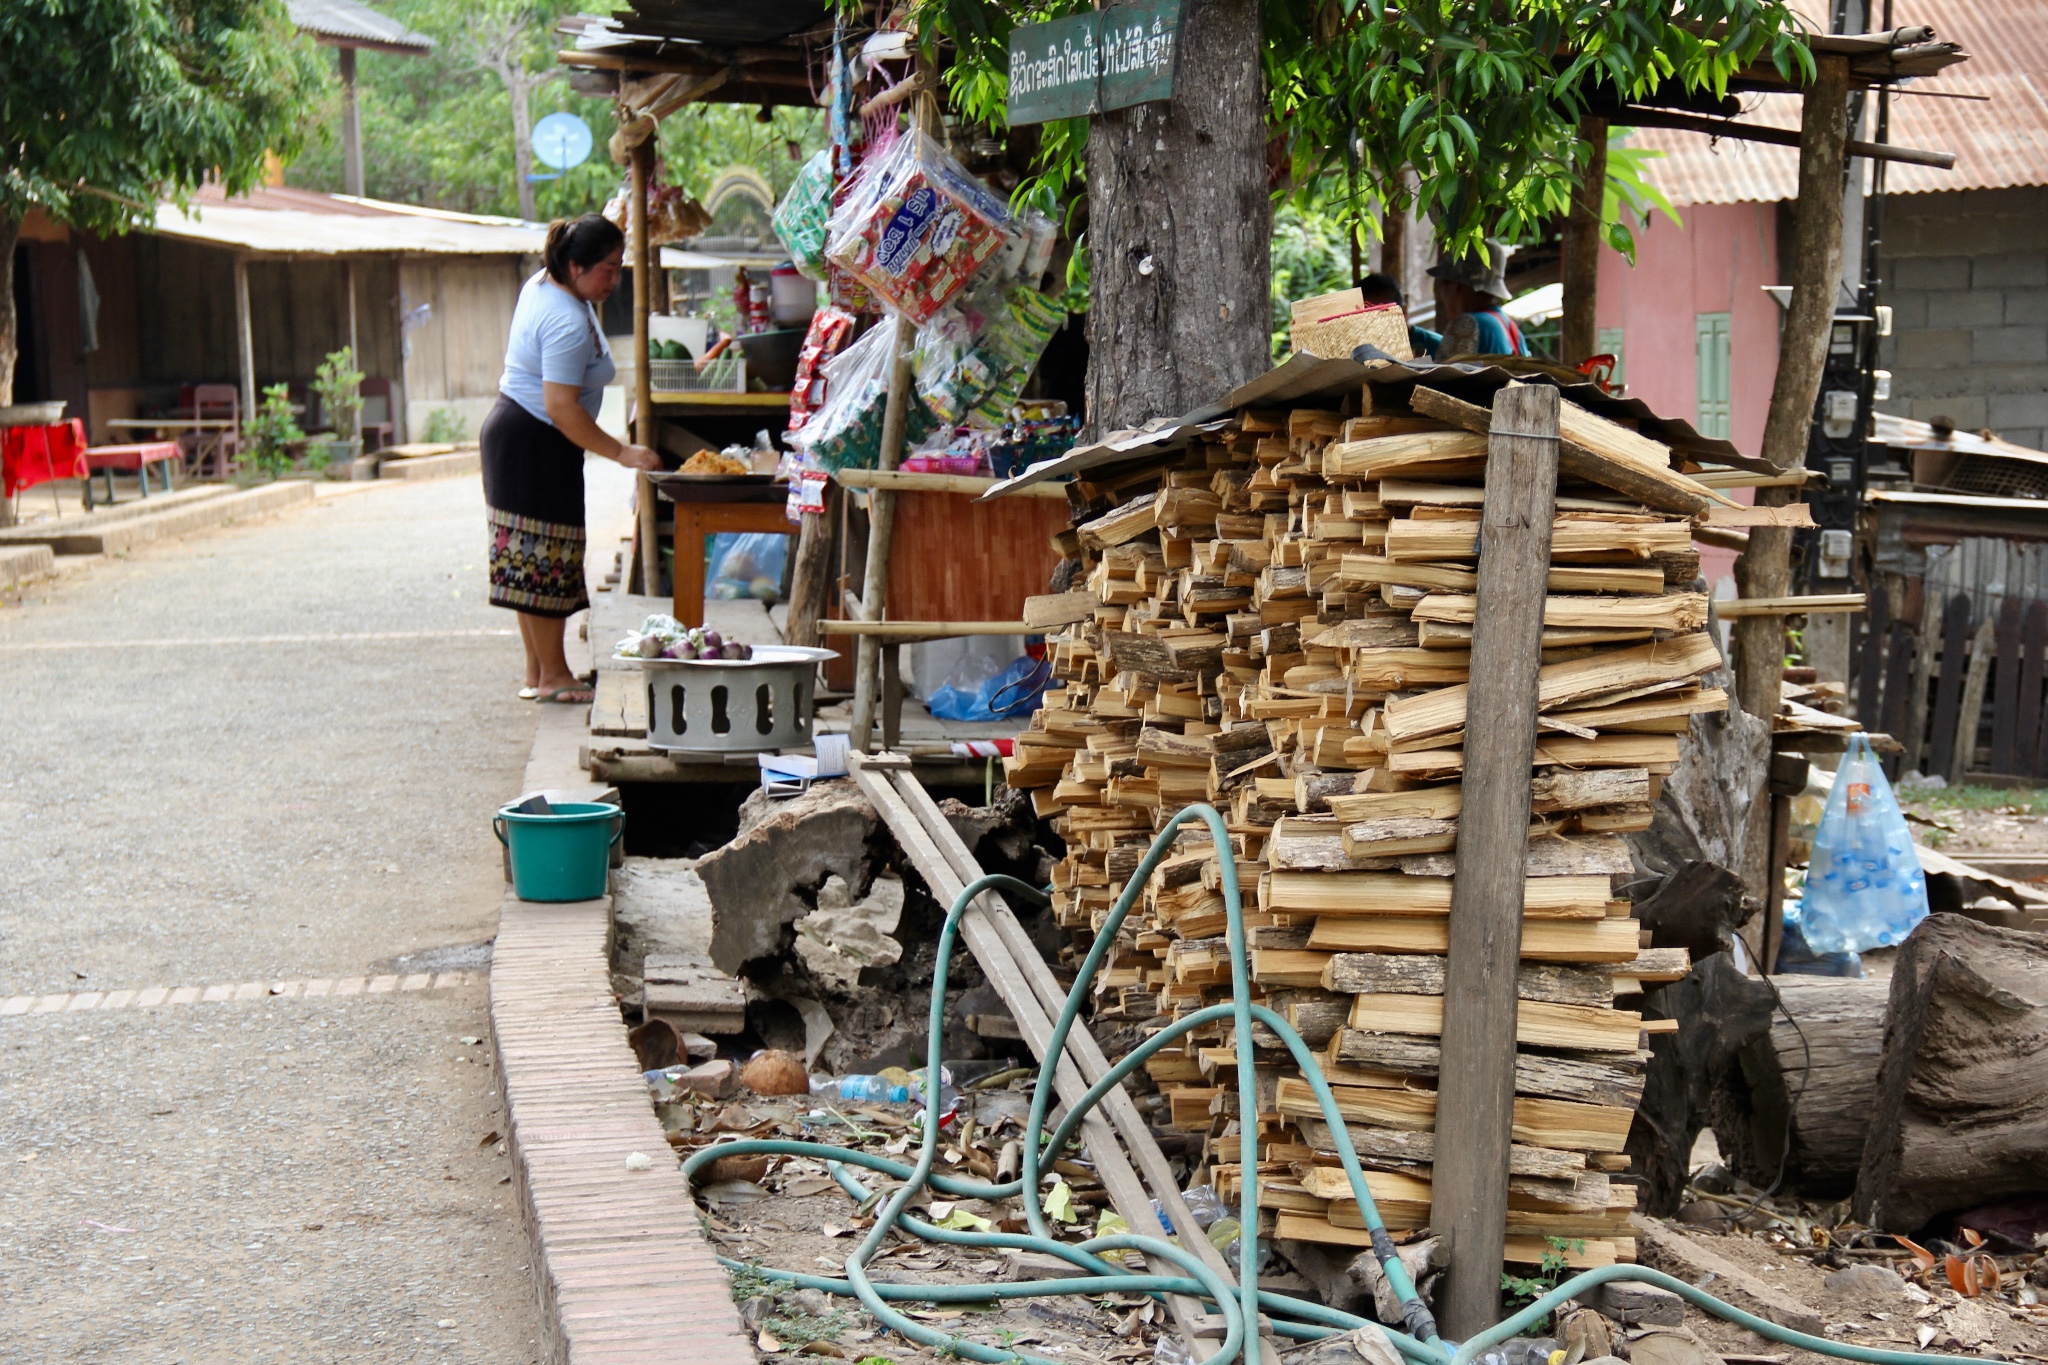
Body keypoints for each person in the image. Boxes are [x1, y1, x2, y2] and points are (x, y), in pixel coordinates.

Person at [483, 214, 663, 704]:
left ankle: (539, 670)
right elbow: (562, 408)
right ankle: (554, 675)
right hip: (535, 440)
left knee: (530, 559)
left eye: (618, 267)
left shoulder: (545, 283)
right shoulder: (565, 318)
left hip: (518, 434)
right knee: (546, 561)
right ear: (575, 265)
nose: (614, 279)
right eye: (607, 269)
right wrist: (622, 452)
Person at [1427, 239, 1530, 359]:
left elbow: (1443, 374)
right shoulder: (1511, 328)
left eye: (1442, 286)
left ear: (1455, 287)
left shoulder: (1467, 323)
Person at [1357, 272, 1442, 359]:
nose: (1375, 324)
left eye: (1383, 315)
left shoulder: (1439, 347)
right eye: (1366, 318)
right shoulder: (1355, 353)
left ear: (1403, 311)